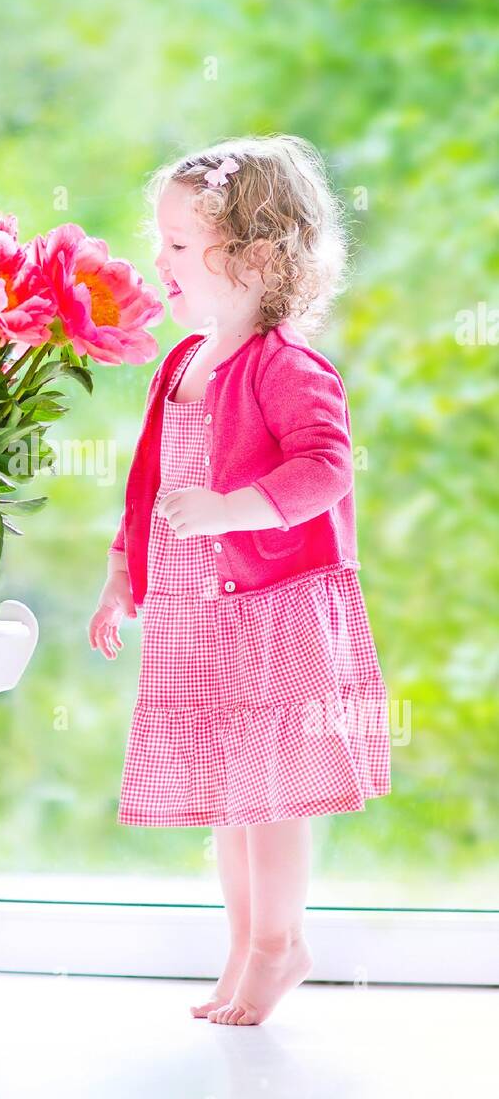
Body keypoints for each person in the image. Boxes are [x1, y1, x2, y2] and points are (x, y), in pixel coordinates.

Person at [88, 136, 391, 1026]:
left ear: (258, 256)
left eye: (180, 246)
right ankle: (242, 942)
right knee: (229, 797)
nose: (159, 260)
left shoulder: (286, 366)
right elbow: (145, 490)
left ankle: (279, 944)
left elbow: (326, 468)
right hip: (199, 617)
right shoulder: (181, 365)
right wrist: (120, 579)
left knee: (272, 794)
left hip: (273, 614)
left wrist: (234, 510)